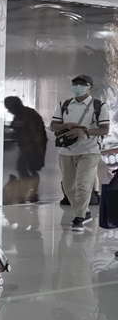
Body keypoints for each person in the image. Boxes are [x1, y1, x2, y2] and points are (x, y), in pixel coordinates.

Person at [50, 75, 110, 232]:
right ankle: (85, 212)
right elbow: (53, 126)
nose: (77, 86)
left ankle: (80, 216)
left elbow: (104, 129)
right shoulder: (64, 105)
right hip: (66, 151)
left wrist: (83, 131)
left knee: (83, 183)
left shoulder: (99, 106)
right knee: (69, 186)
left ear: (90, 87)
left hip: (89, 151)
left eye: (82, 84)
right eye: (75, 84)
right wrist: (66, 125)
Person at [3, 96, 48, 203]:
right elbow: (16, 127)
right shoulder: (20, 114)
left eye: (10, 108)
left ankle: (32, 192)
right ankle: (27, 191)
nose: (9, 111)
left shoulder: (29, 114)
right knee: (23, 169)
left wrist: (35, 151)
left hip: (34, 149)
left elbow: (35, 134)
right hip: (27, 148)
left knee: (31, 170)